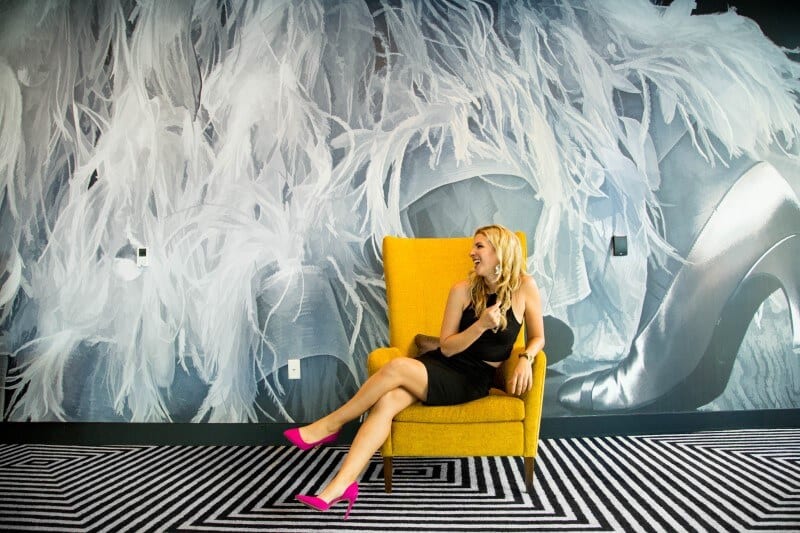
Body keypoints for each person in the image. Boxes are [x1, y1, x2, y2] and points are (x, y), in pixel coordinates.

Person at [283, 224, 545, 519]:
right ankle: (339, 487)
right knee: (387, 402)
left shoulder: (525, 287)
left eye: (479, 246)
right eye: (474, 246)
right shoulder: (462, 290)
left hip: (472, 378)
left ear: (499, 251)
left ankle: (331, 425)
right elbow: (446, 348)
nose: (471, 252)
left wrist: (526, 356)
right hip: (444, 362)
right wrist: (480, 325)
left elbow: (538, 337)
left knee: (395, 367)